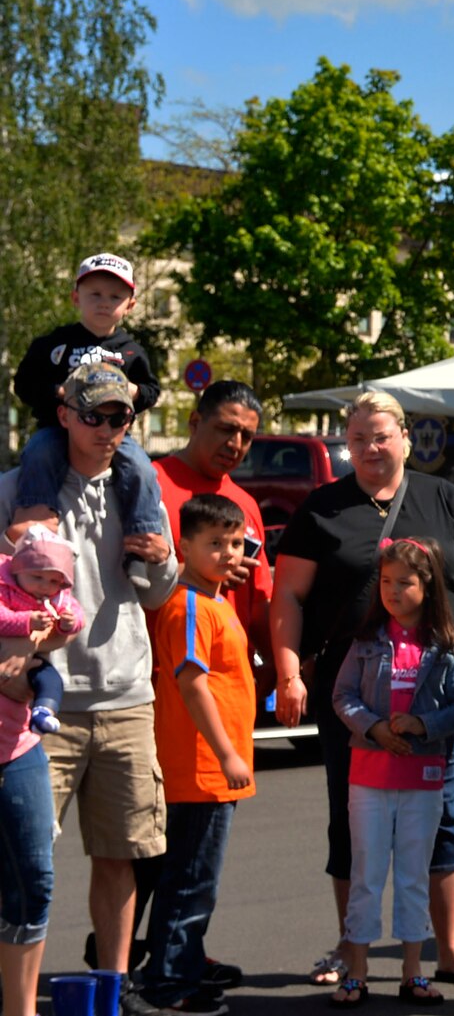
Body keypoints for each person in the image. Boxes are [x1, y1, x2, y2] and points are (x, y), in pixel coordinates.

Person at [271, 391, 454, 989]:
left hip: (433, 696)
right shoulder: (322, 506)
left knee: (442, 818)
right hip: (352, 696)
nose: (371, 448)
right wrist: (290, 673)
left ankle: (449, 949)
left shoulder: (446, 498)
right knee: (352, 821)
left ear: (404, 436)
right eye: (358, 439)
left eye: (381, 435)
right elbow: (288, 596)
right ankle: (353, 951)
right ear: (346, 444)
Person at [0, 363, 176, 1016]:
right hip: (38, 707)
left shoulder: (139, 490)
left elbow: (157, 593)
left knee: (119, 856)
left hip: (126, 694)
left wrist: (160, 559)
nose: (107, 429)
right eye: (94, 415)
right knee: (21, 863)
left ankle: (112, 988)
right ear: (65, 414)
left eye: (120, 418)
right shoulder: (18, 491)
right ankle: (16, 992)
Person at [330, 538, 454, 1007]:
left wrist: (421, 725)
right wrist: (373, 728)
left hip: (423, 780)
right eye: (387, 583)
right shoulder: (366, 640)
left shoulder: (446, 644)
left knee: (414, 876)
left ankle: (413, 972)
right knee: (367, 876)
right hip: (369, 778)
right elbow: (343, 697)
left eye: (405, 583)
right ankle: (356, 971)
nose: (393, 592)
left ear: (427, 584)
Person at [141, 495, 258, 1016]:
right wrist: (228, 754)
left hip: (208, 770)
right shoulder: (189, 605)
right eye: (214, 544)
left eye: (234, 543)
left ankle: (178, 971)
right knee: (189, 885)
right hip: (201, 769)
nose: (229, 553)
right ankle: (168, 986)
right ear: (183, 547)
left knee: (189, 882)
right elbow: (192, 684)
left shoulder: (214, 603)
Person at [8, 253, 167, 544]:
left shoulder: (132, 351)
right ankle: (36, 513)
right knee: (39, 451)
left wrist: (134, 391)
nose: (104, 302)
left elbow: (152, 390)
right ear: (75, 298)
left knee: (142, 466)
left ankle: (143, 532)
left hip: (114, 435)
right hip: (56, 429)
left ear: (130, 306)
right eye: (94, 294)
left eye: (115, 296)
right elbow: (25, 384)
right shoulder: (55, 343)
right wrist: (59, 393)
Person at [0, 535, 83, 1016]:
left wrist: (34, 636)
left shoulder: (19, 565)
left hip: (17, 746)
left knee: (33, 881)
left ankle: (21, 1009)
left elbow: (61, 625)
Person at [155, 381, 273, 684]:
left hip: (232, 681)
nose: (235, 443)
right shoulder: (151, 486)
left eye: (246, 436)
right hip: (168, 680)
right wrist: (197, 572)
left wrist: (277, 667)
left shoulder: (246, 505)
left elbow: (259, 602)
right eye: (225, 429)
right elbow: (124, 579)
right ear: (195, 422)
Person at [0, 530, 86, 735]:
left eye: (54, 581)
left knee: (50, 679)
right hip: (4, 650)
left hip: (34, 659)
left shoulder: (57, 597)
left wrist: (68, 623)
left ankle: (43, 712)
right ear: (18, 569)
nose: (45, 586)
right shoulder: (5, 587)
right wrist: (27, 621)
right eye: (37, 576)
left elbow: (78, 615)